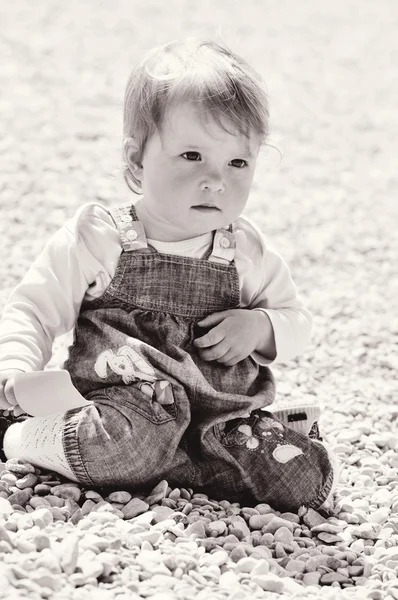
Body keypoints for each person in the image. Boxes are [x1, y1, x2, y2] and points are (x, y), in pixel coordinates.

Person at [0, 38, 339, 511]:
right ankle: (23, 435)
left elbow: (297, 320)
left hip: (219, 419)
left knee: (303, 481)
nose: (216, 179)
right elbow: (34, 309)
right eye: (192, 156)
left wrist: (262, 326)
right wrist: (16, 369)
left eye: (237, 162)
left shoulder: (245, 249)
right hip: (126, 411)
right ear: (137, 160)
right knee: (123, 446)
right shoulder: (100, 238)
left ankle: (197, 457)